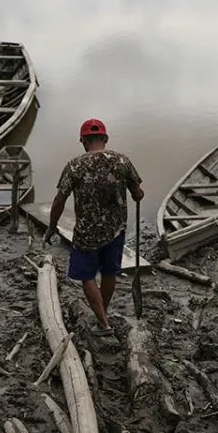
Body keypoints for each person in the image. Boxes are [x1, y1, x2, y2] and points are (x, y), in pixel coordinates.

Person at [44, 118, 144, 336]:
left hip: (87, 235)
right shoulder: (122, 161)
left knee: (87, 277)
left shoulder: (74, 165)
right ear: (105, 139)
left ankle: (104, 323)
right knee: (109, 273)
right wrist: (134, 193)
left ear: (83, 141)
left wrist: (52, 226)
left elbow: (59, 200)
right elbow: (138, 194)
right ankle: (102, 315)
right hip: (115, 231)